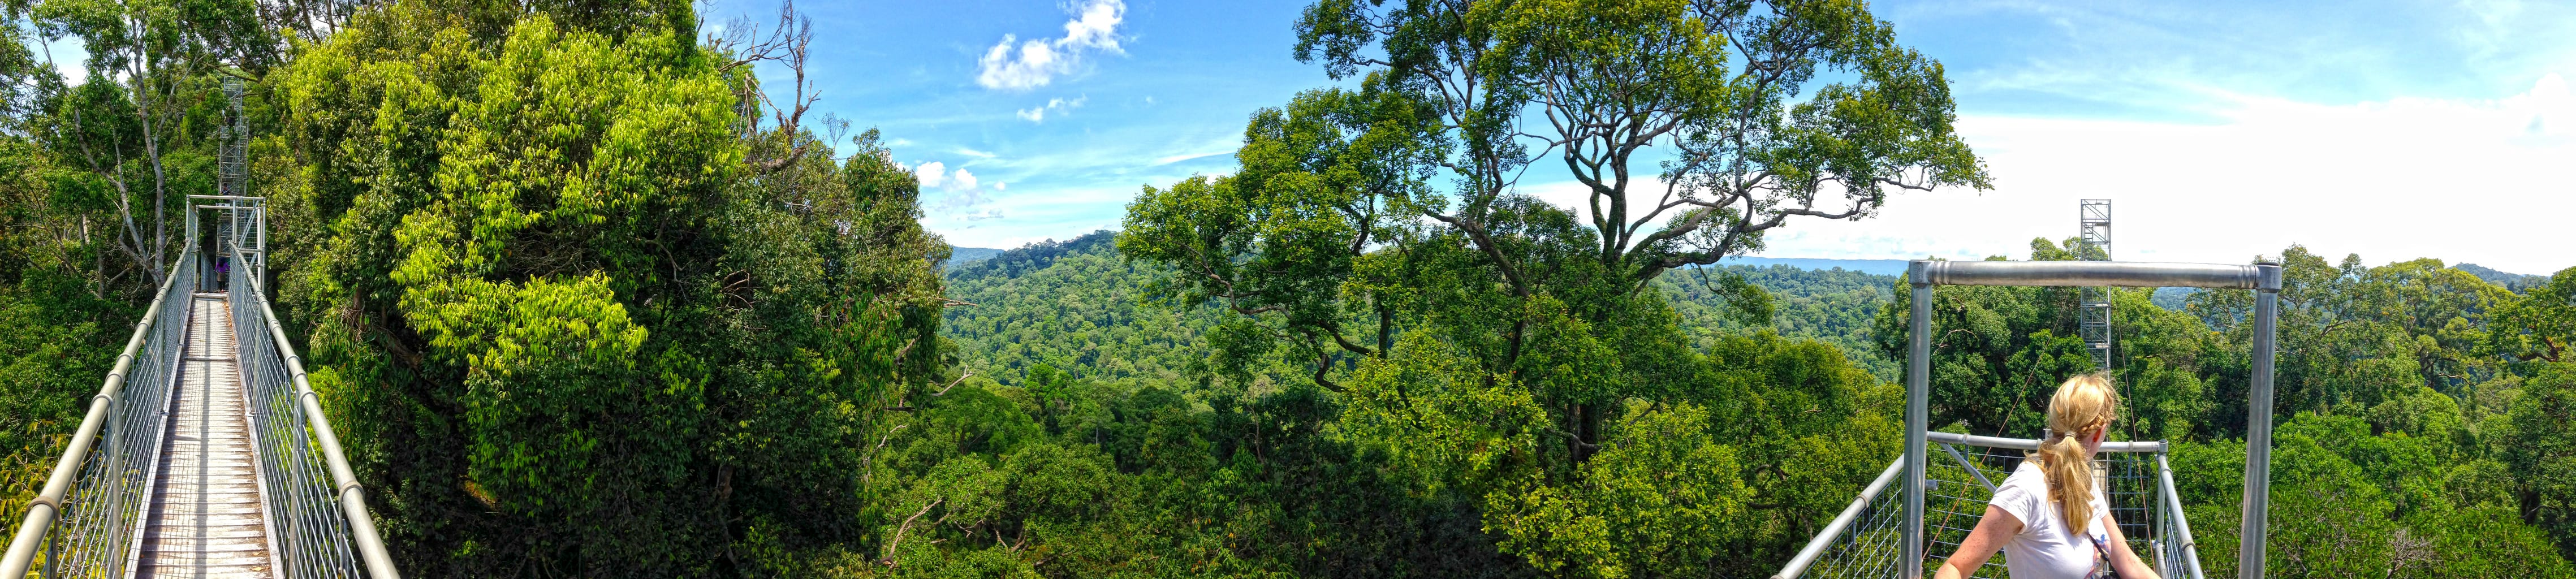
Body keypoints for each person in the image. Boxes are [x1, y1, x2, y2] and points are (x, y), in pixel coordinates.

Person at [1934, 373, 2160, 579]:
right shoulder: (2026, 489)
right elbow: (1954, 569)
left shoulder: (2084, 479)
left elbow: (2127, 561)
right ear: (2099, 433)